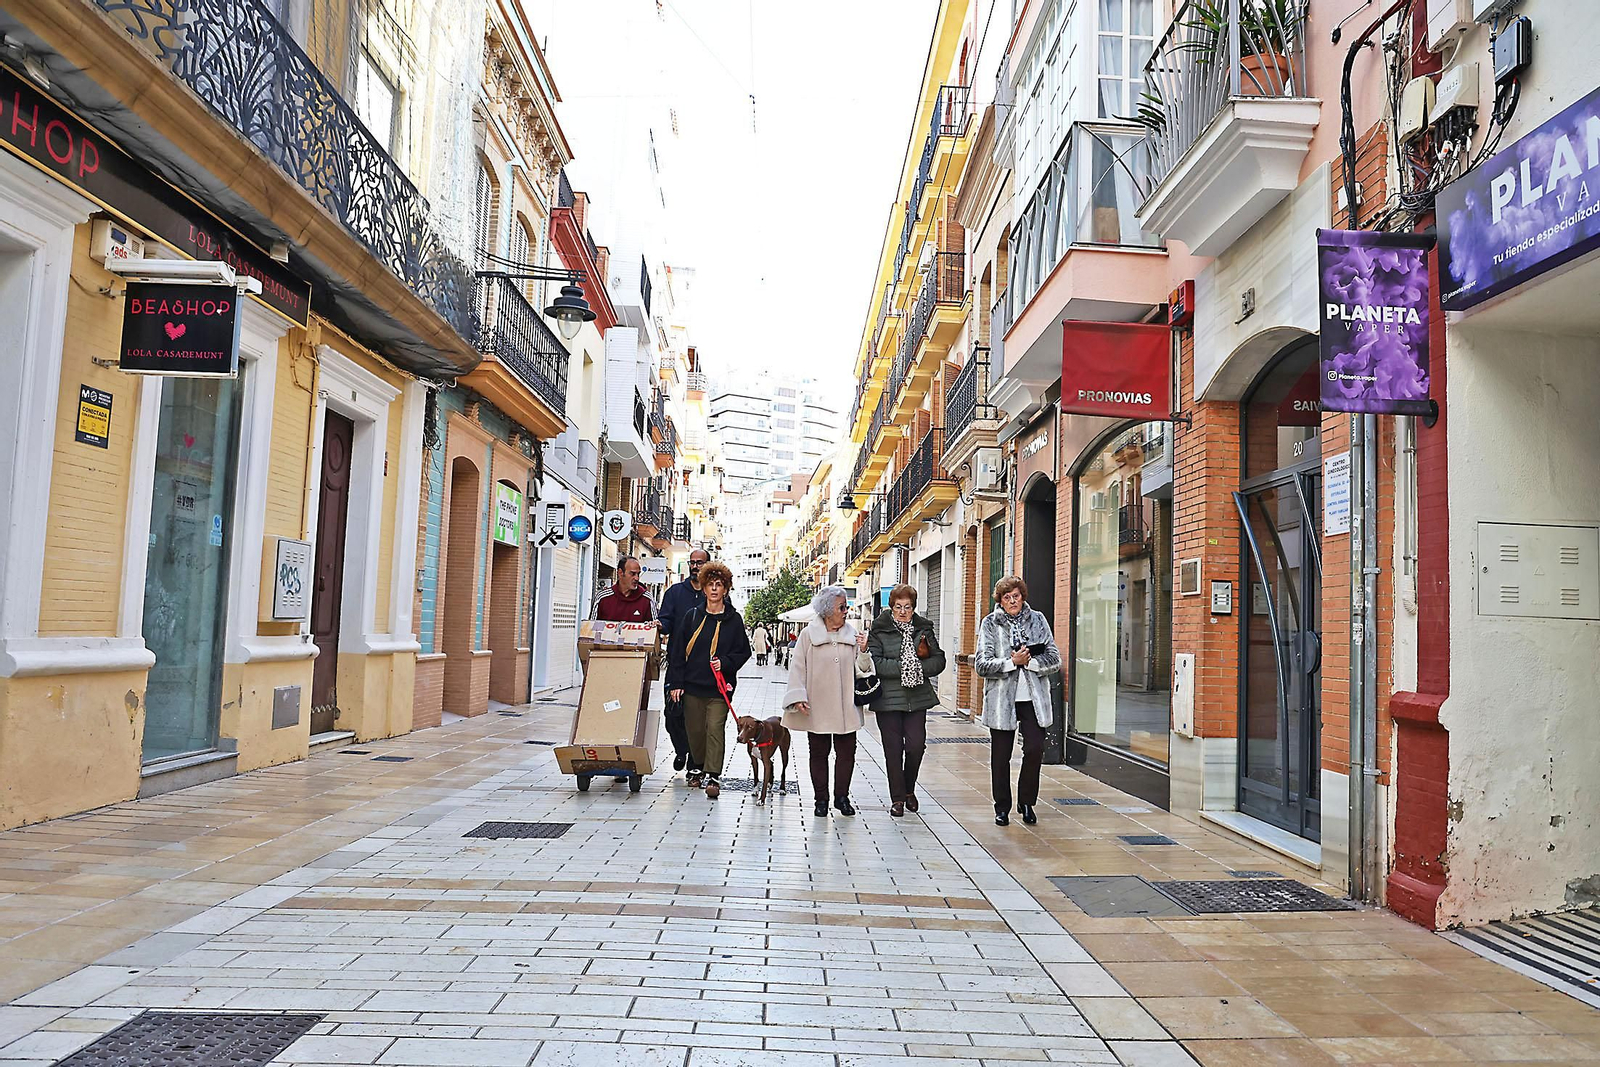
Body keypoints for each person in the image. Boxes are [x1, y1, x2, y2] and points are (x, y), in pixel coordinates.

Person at [974, 576, 1062, 827]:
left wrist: (1031, 663)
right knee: (1000, 756)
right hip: (1002, 700)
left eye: (1016, 596)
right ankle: (1002, 807)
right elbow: (981, 664)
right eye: (1007, 597)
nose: (1012, 601)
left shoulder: (1038, 619)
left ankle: (1027, 801)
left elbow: (1054, 658)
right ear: (1000, 601)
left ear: (1023, 597)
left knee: (1035, 748)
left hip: (1033, 699)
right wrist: (1011, 663)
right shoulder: (990, 623)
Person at [665, 562, 751, 795]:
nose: (714, 589)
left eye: (719, 584)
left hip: (719, 688)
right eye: (710, 584)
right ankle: (697, 767)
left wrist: (726, 662)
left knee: (715, 728)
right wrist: (676, 683)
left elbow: (744, 651)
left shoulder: (734, 619)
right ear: (703, 588)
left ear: (726, 589)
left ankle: (713, 775)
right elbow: (678, 651)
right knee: (694, 731)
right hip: (692, 686)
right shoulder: (692, 616)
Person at [782, 586, 869, 818]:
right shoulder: (808, 635)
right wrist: (798, 697)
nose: (846, 611)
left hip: (846, 707)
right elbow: (797, 668)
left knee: (847, 753)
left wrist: (864, 651)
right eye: (842, 607)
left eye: (846, 607)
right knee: (818, 753)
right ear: (828, 610)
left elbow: (863, 670)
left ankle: (842, 798)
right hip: (817, 705)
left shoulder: (852, 634)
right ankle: (821, 800)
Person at [867, 584, 946, 818]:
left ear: (913, 608)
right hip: (888, 700)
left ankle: (909, 789)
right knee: (893, 751)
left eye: (908, 607)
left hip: (917, 698)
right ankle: (898, 799)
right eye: (898, 607)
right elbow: (876, 663)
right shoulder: (879, 630)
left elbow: (939, 660)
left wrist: (917, 667)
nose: (903, 612)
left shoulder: (923, 629)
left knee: (915, 746)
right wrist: (905, 667)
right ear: (891, 607)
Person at [656, 549, 708, 772]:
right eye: (692, 562)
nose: (695, 566)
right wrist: (660, 625)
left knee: (698, 716)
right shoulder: (675, 592)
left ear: (708, 565)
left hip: (703, 667)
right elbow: (666, 621)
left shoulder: (714, 594)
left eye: (700, 562)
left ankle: (694, 763)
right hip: (677, 664)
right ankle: (681, 749)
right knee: (672, 713)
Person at [592, 555, 653, 622]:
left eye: (638, 574)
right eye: (632, 574)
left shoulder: (647, 599)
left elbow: (655, 626)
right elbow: (591, 626)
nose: (637, 578)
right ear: (620, 573)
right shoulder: (603, 598)